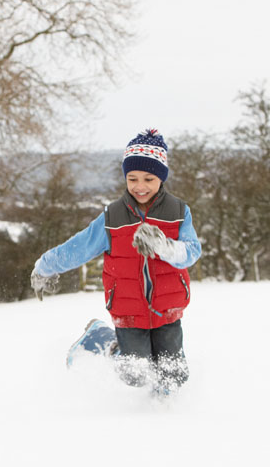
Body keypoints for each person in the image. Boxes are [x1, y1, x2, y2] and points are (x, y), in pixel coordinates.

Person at [30, 129, 201, 396]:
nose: (140, 186)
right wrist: (45, 266)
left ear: (162, 178)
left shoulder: (179, 212)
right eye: (132, 178)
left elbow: (191, 251)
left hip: (168, 306)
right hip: (128, 309)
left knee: (174, 373)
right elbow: (80, 247)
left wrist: (164, 247)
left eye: (148, 178)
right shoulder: (113, 217)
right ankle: (103, 338)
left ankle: (164, 415)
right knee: (134, 373)